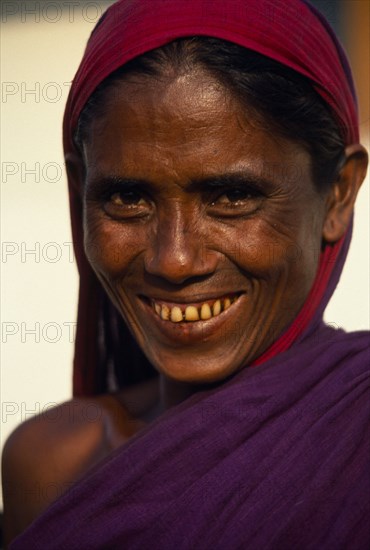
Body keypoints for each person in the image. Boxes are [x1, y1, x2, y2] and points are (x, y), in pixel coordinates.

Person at [2, 0, 369, 547]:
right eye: (127, 197)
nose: (173, 260)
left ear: (338, 192)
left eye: (232, 196)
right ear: (80, 188)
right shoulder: (50, 462)